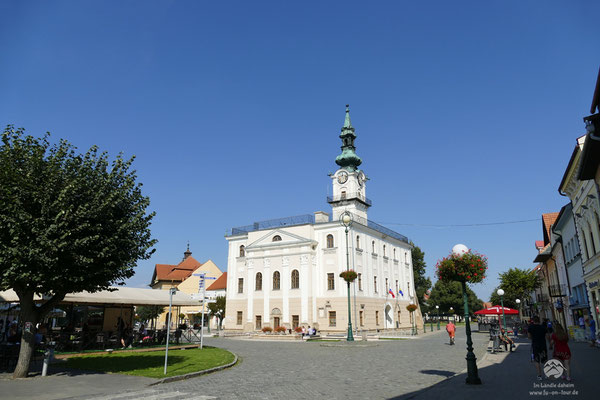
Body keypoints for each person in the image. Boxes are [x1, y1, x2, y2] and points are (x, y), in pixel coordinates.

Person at [528, 316, 549, 381]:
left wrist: (533, 338)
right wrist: (550, 343)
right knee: (544, 360)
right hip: (543, 345)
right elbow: (547, 336)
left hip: (535, 346)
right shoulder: (543, 327)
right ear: (539, 320)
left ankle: (539, 375)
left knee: (536, 360)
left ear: (533, 321)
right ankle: (546, 374)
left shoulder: (531, 327)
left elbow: (529, 336)